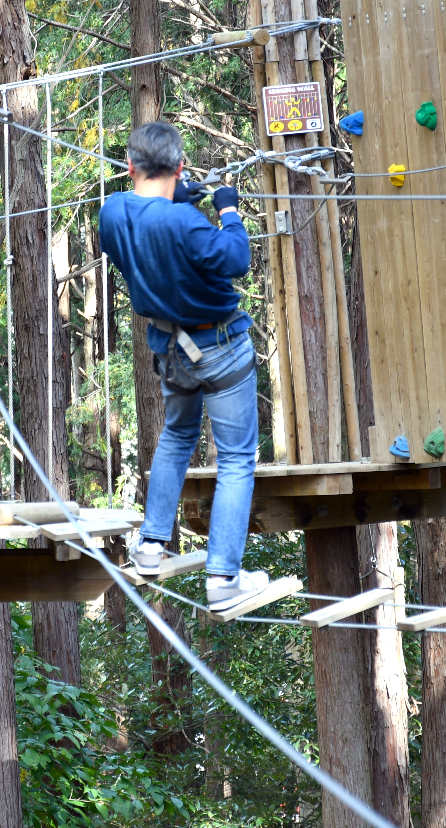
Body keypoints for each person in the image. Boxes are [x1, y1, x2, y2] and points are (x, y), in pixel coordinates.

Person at [98, 121, 266, 612]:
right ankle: (224, 578)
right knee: (236, 459)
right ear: (180, 167)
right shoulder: (187, 223)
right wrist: (228, 208)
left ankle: (151, 546)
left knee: (176, 437)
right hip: (220, 347)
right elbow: (235, 258)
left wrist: (178, 200)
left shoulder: (112, 212)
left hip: (171, 352)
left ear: (130, 167)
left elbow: (146, 229)